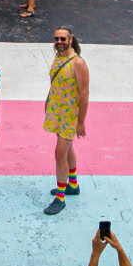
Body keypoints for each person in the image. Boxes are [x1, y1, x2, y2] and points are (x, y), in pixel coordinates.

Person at [42, 26, 89, 215]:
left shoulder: (78, 63)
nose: (59, 42)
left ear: (71, 39)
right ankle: (73, 184)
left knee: (59, 154)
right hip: (57, 110)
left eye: (63, 39)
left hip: (70, 114)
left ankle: (60, 197)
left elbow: (84, 93)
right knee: (67, 149)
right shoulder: (58, 57)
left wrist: (81, 121)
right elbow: (56, 82)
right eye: (56, 39)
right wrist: (48, 100)